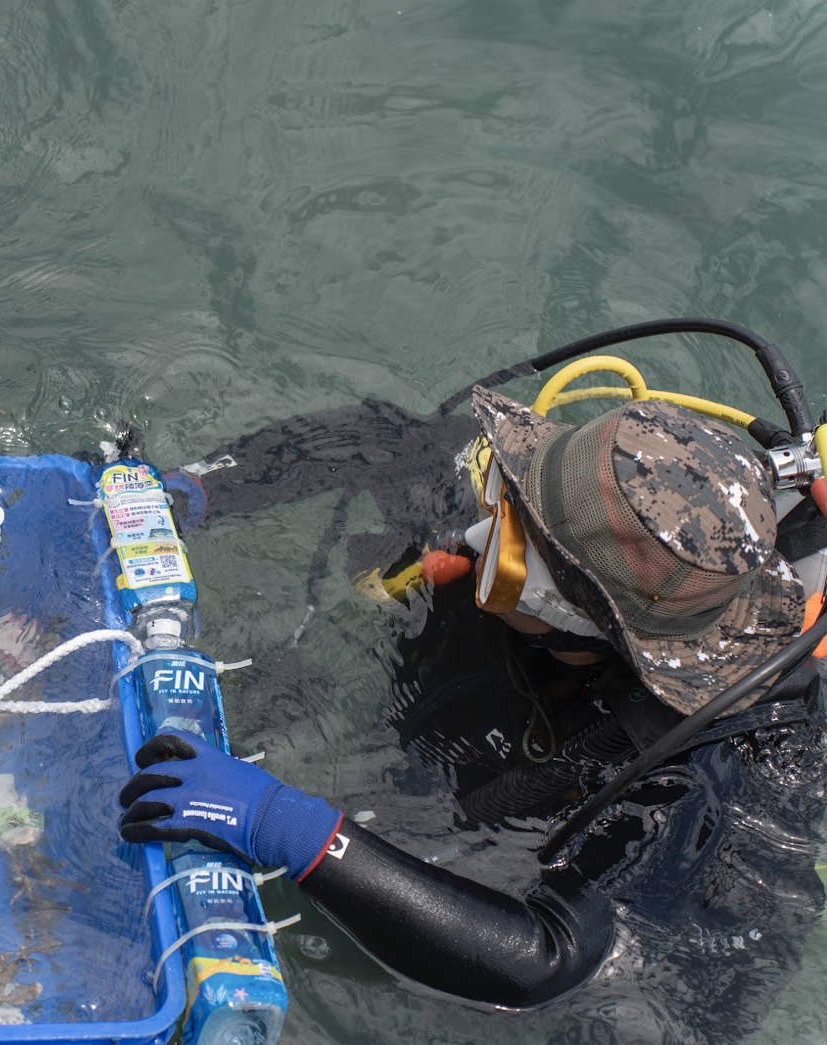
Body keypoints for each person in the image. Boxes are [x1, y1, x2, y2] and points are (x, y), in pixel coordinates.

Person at [120, 387, 827, 1037]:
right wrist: (183, 495)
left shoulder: (706, 767)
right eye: (503, 496)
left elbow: (540, 962)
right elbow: (375, 436)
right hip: (470, 750)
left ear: (571, 614)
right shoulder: (521, 494)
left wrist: (292, 828)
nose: (476, 535)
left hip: (609, 918)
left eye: (509, 551)